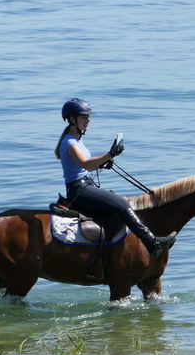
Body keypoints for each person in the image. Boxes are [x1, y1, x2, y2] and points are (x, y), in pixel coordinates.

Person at [53, 98, 176, 258]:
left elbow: (85, 166)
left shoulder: (77, 139)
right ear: (72, 119)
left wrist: (105, 162)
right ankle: (152, 243)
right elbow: (86, 165)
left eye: (88, 117)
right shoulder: (70, 142)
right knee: (123, 205)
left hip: (85, 185)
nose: (88, 120)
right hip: (79, 190)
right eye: (84, 117)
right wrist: (109, 154)